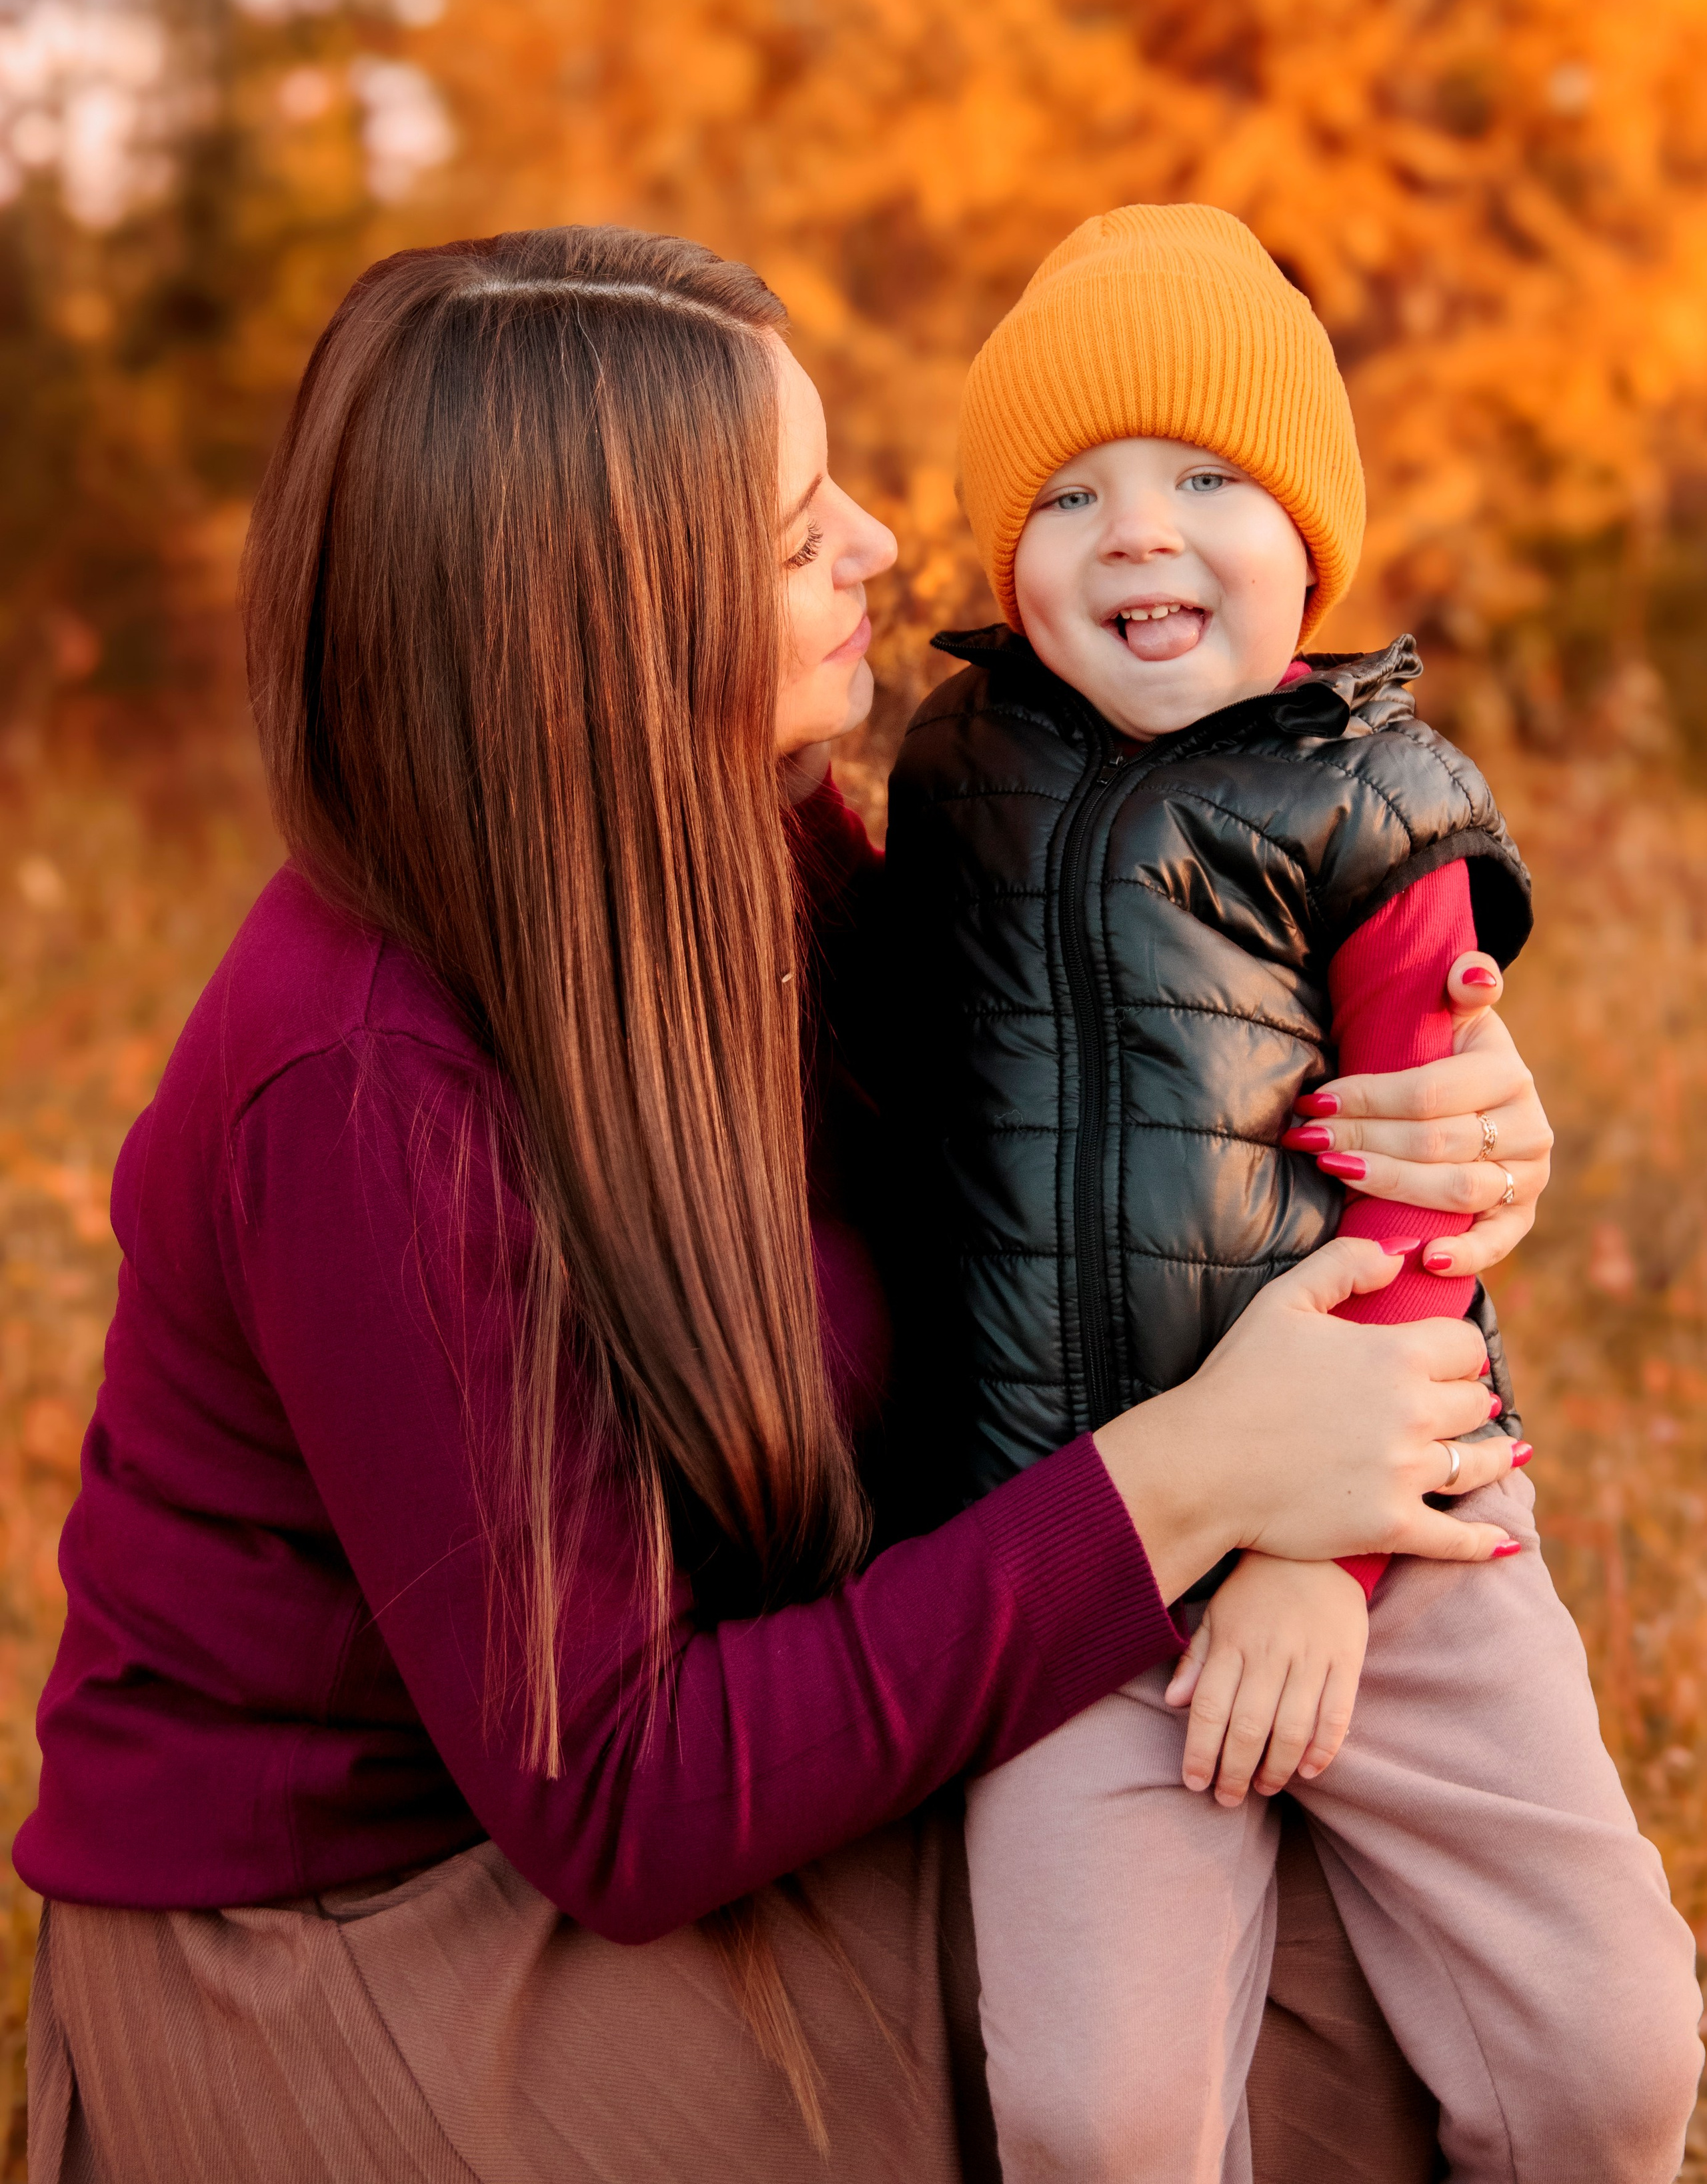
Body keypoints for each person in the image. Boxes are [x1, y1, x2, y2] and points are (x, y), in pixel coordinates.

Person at [19, 225, 1554, 2184]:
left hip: (689, 1764)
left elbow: (1059, 1145)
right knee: (1283, 2044)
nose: (882, 543)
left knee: (1409, 1954)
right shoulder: (364, 1089)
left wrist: (1420, 1106)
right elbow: (624, 1797)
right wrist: (1196, 1475)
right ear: (602, 627)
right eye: (786, 526)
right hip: (368, 1941)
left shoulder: (747, 831)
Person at [884, 203, 1704, 2184]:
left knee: (1612, 2047)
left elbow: (1431, 1204)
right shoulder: (950, 772)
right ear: (1005, 562)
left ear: (1314, 538)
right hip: (1071, 1529)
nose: (1138, 532)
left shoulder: (1377, 796)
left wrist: (1313, 1568)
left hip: (1391, 1515)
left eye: (1204, 478)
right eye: (1067, 495)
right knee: (1097, 2114)